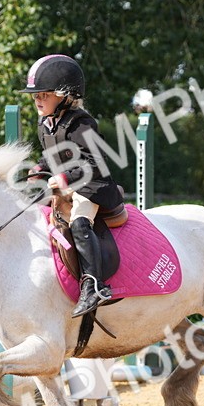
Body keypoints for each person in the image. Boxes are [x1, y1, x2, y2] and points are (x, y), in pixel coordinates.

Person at [20, 53, 124, 318]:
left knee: (79, 223)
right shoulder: (46, 123)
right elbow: (52, 155)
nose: (37, 100)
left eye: (44, 94)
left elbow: (95, 163)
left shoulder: (81, 122)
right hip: (66, 186)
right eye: (35, 96)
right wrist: (39, 170)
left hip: (92, 187)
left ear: (65, 95)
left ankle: (94, 286)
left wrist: (64, 179)